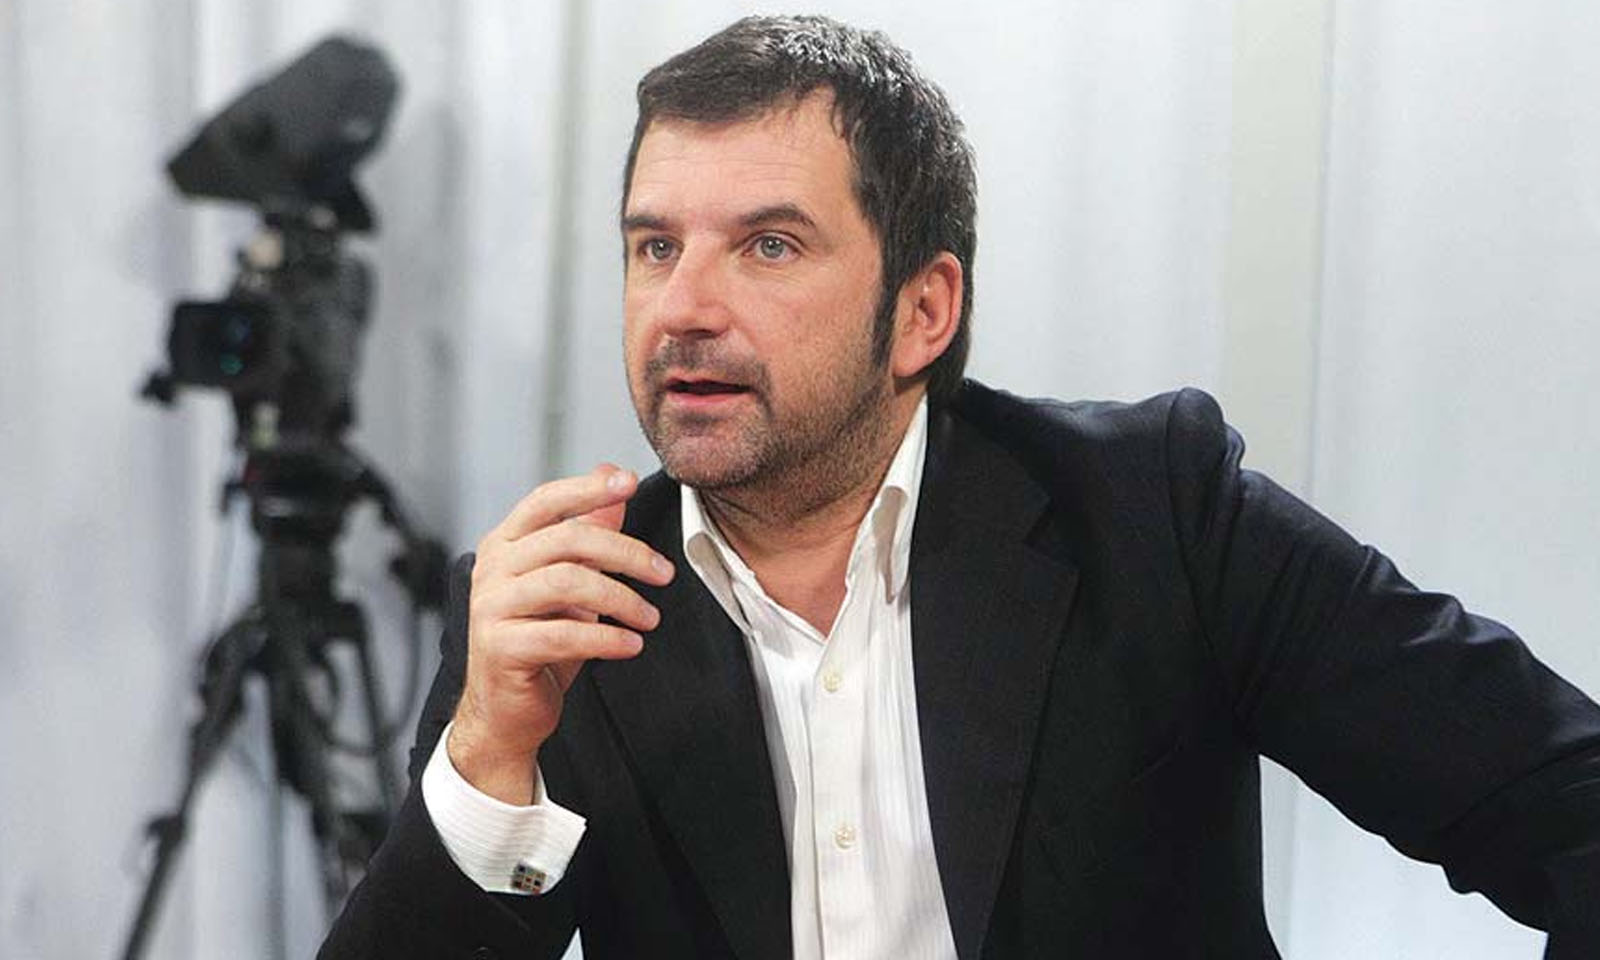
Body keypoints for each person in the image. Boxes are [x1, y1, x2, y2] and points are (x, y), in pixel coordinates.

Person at [321, 14, 1600, 959]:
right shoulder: (562, 603)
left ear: (922, 310)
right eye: (654, 247)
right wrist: (485, 759)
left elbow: (1566, 806)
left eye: (768, 246)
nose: (683, 308)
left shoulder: (1152, 514)